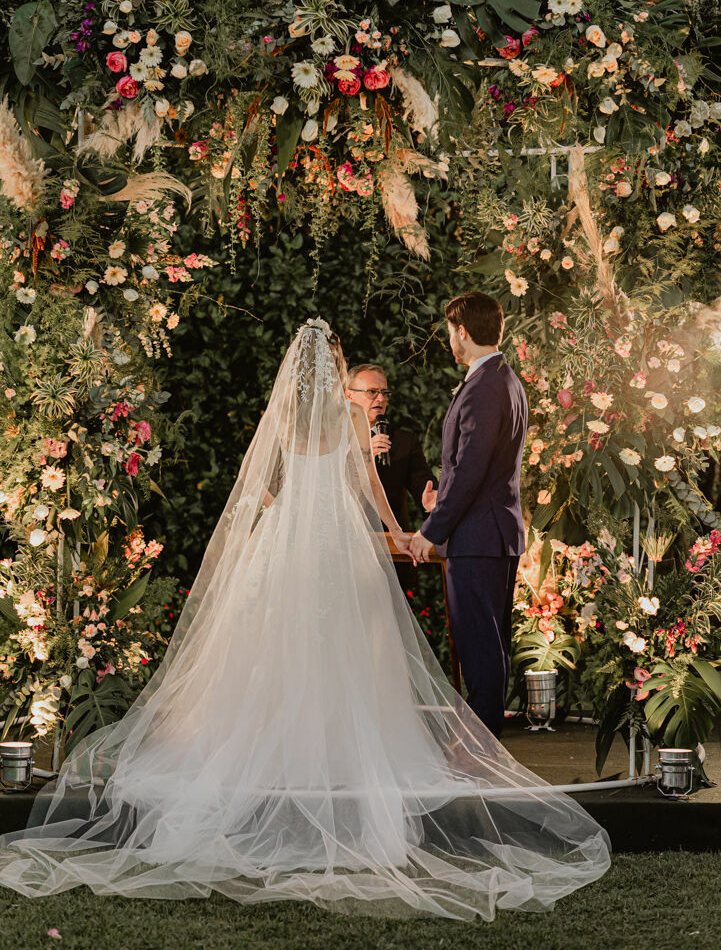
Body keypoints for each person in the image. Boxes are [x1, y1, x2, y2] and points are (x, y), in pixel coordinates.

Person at [0, 318, 609, 920]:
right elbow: (369, 485)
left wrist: (267, 525)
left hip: (290, 536)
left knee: (276, 640)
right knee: (350, 644)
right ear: (337, 371)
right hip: (338, 538)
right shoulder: (349, 418)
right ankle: (342, 749)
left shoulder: (283, 416)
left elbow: (258, 485)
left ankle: (275, 750)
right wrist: (403, 535)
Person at [410, 292, 528, 739]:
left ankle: (481, 754)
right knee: (490, 647)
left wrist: (431, 529)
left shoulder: (484, 386)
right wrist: (441, 499)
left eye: (449, 331)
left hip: (478, 538)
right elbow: (480, 467)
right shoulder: (504, 379)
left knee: (480, 650)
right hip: (493, 533)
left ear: (461, 331)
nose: (449, 339)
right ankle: (486, 750)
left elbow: (473, 469)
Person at [345, 363, 435, 592]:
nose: (380, 398)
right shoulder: (333, 439)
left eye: (384, 392)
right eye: (371, 392)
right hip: (346, 550)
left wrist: (430, 501)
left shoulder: (404, 441)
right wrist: (361, 455)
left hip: (393, 554)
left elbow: (423, 484)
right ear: (349, 395)